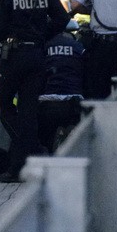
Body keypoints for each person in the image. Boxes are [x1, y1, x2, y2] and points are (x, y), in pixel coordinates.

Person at [0, 0, 70, 182]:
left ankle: (30, 152)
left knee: (3, 105)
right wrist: (43, 35)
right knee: (28, 112)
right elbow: (62, 19)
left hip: (13, 56)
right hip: (37, 55)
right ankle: (21, 164)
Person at [38, 23, 86, 152]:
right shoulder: (79, 47)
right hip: (74, 102)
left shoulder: (42, 47)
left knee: (44, 142)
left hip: (46, 102)